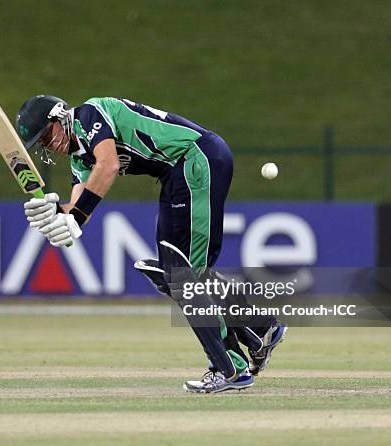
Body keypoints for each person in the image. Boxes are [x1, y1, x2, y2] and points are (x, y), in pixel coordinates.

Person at [15, 95, 287, 393]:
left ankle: (230, 367)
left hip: (197, 158)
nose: (48, 144)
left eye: (47, 134)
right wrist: (54, 214)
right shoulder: (80, 158)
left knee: (183, 275)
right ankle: (259, 328)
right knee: (178, 272)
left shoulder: (90, 115)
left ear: (59, 116)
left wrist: (75, 214)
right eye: (41, 142)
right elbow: (79, 209)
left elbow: (108, 166)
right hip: (176, 173)